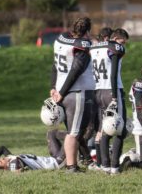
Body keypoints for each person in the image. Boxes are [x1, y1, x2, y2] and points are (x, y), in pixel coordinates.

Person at [50, 17, 95, 173]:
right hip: (75, 93)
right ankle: (71, 166)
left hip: (63, 90)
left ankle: (72, 164)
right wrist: (61, 92)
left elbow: (55, 65)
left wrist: (54, 86)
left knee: (74, 131)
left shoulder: (61, 40)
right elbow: (76, 70)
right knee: (74, 133)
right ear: (87, 31)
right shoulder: (81, 45)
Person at [90, 28, 129, 174]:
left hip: (97, 91)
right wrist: (114, 97)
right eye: (122, 41)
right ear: (114, 38)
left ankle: (104, 165)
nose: (123, 45)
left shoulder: (93, 48)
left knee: (103, 128)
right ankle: (114, 166)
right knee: (120, 129)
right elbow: (113, 74)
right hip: (111, 90)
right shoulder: (114, 47)